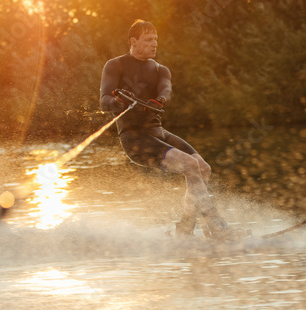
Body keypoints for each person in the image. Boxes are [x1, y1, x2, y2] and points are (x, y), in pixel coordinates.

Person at [99, 20, 242, 240]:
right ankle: (217, 227)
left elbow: (166, 88)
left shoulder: (160, 69)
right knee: (190, 164)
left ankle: (184, 230)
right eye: (148, 40)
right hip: (135, 140)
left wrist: (160, 100)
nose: (154, 44)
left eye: (156, 39)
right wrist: (116, 102)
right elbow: (104, 99)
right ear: (133, 41)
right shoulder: (115, 65)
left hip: (158, 133)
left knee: (203, 168)